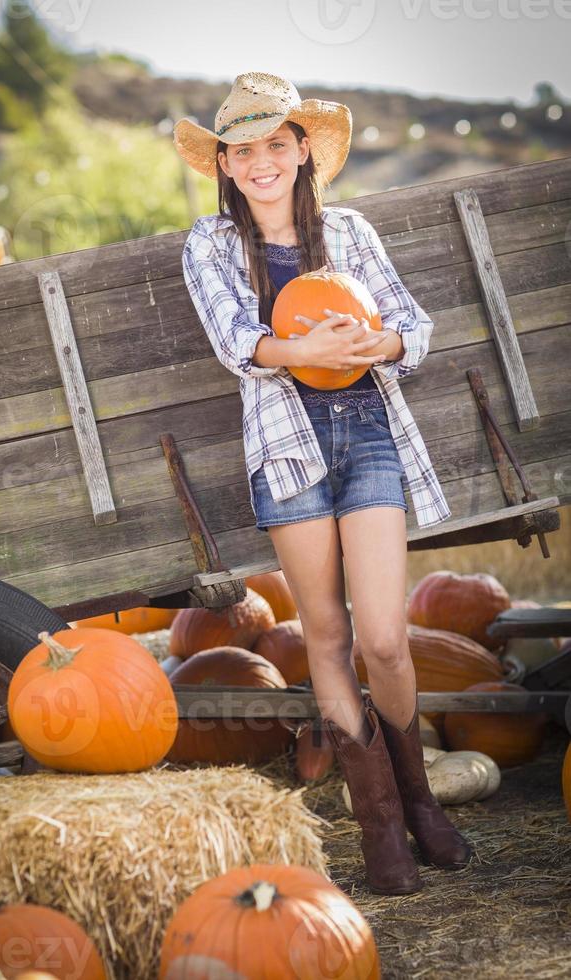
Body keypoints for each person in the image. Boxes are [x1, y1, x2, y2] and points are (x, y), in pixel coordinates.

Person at [174, 72, 472, 895]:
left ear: (304, 151)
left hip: (368, 435)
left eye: (278, 143)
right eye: (244, 150)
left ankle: (423, 805)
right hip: (289, 449)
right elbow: (239, 342)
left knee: (385, 636)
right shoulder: (210, 244)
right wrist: (310, 351)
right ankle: (379, 827)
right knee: (329, 635)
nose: (263, 161)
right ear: (226, 166)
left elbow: (410, 327)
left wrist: (370, 347)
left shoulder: (349, 231)